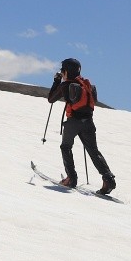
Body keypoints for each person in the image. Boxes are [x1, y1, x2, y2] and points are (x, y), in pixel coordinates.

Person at [47, 57, 116, 195]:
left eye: (63, 70)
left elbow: (51, 99)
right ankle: (108, 179)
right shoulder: (86, 85)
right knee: (94, 151)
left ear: (66, 71)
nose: (62, 72)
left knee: (65, 147)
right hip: (89, 122)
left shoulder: (65, 85)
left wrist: (56, 81)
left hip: (73, 122)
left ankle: (71, 178)